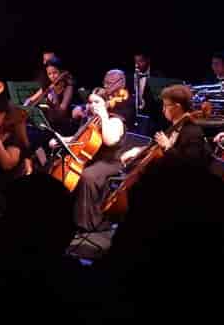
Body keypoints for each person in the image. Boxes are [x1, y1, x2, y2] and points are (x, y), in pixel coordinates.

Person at [63, 81, 128, 233]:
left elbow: (110, 140)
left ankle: (89, 223)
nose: (93, 105)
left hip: (109, 162)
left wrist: (104, 116)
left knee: (87, 175)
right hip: (92, 159)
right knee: (68, 170)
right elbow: (77, 139)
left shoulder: (115, 120)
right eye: (90, 102)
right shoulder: (91, 119)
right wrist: (61, 139)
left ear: (106, 103)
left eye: (97, 102)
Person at [122, 84, 211, 170]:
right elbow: (156, 150)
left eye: (166, 105)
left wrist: (168, 147)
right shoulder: (174, 127)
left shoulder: (192, 132)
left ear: (177, 107)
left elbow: (191, 166)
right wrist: (138, 151)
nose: (163, 109)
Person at [128, 52, 165, 136]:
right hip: (136, 114)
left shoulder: (158, 75)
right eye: (135, 62)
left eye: (140, 61)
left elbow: (158, 99)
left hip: (152, 116)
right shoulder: (131, 75)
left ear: (148, 61)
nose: (137, 65)